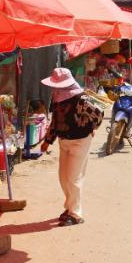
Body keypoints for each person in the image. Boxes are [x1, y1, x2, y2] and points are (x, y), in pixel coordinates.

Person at [41, 67, 103, 226]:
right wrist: (48, 140)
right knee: (63, 177)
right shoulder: (56, 99)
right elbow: (55, 121)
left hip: (80, 141)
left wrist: (93, 128)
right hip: (64, 140)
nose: (56, 89)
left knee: (73, 178)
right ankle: (69, 207)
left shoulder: (80, 99)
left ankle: (76, 214)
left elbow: (98, 113)